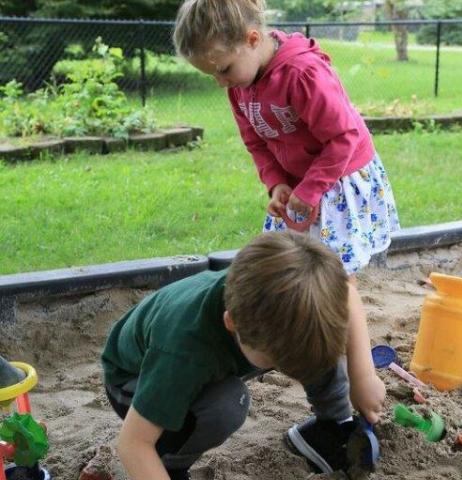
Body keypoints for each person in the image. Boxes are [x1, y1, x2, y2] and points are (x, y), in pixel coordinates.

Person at [173, 0, 396, 473]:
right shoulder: (242, 83)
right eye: (212, 75)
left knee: (335, 282)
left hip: (337, 185)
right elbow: (256, 142)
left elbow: (344, 138)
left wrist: (310, 191)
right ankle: (331, 408)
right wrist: (276, 182)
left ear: (253, 39)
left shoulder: (304, 75)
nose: (221, 83)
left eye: (224, 69)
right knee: (300, 282)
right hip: (298, 190)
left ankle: (361, 378)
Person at [102, 231, 384, 480]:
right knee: (227, 404)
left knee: (315, 335)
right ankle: (171, 463)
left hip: (223, 349)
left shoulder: (288, 293)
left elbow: (346, 292)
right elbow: (133, 444)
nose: (289, 372)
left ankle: (329, 429)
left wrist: (363, 376)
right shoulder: (186, 351)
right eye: (277, 363)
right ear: (231, 324)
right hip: (135, 380)